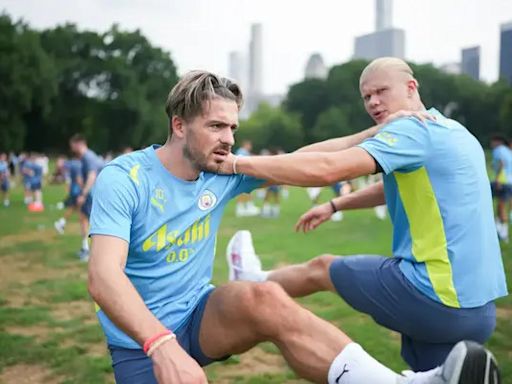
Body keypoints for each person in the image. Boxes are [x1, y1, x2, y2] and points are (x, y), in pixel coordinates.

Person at [86, 70, 499, 384]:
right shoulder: (125, 178)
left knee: (264, 297)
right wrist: (160, 345)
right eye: (216, 126)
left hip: (198, 316)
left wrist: (376, 132)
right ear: (179, 125)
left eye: (233, 127)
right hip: (141, 341)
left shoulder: (221, 170)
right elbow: (103, 278)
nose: (228, 139)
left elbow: (304, 156)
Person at [221, 58, 508, 372]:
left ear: (411, 88)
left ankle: (253, 283)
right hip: (479, 312)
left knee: (323, 268)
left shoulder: (413, 130)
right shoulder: (454, 131)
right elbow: (396, 189)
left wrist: (237, 165)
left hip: (434, 295)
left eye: (381, 91)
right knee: (428, 379)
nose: (373, 101)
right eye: (367, 96)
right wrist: (335, 205)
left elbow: (328, 167)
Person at [69, 134, 103, 261]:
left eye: (72, 145)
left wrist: (83, 194)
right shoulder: (85, 157)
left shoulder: (88, 157)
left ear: (79, 143)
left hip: (93, 194)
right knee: (83, 219)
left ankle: (92, 252)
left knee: (94, 224)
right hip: (91, 193)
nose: (71, 148)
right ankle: (85, 248)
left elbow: (92, 176)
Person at [489, 135, 512, 243]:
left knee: (485, 198)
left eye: (492, 142)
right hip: (509, 182)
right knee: (501, 205)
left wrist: (497, 178)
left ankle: (498, 228)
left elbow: (502, 163)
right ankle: (502, 230)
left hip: (502, 181)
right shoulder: (508, 150)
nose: (491, 144)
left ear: (497, 141)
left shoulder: (498, 150)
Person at [54, 156, 83, 235]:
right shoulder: (73, 164)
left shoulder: (70, 165)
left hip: (75, 190)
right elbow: (78, 179)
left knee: (75, 208)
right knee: (80, 210)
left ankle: (61, 223)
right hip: (77, 190)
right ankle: (61, 223)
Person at [234, 140, 260, 217]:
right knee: (243, 192)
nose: (250, 147)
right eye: (249, 145)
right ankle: (242, 208)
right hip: (243, 175)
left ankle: (247, 207)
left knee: (247, 191)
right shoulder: (242, 152)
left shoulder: (243, 152)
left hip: (244, 175)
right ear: (246, 145)